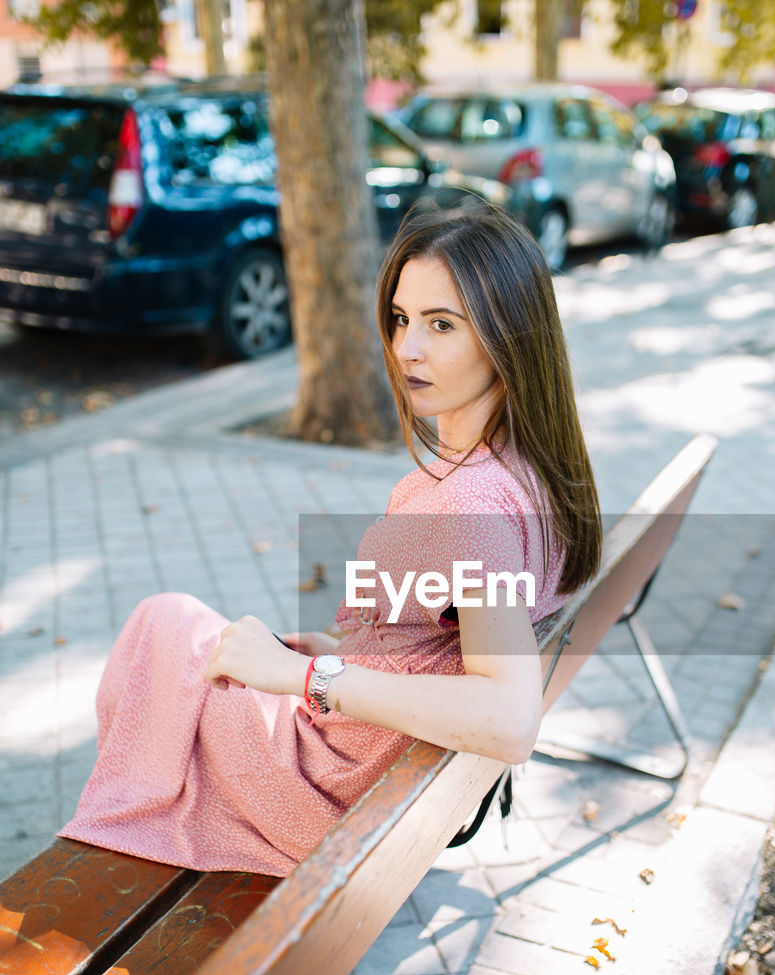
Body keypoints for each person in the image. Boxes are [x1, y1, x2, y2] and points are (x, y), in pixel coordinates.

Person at [60, 203, 602, 877]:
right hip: (373, 771)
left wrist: (307, 675)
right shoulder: (531, 469)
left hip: (322, 790)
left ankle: (114, 863)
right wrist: (348, 651)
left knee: (162, 626)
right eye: (402, 319)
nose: (407, 348)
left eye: (441, 325)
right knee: (188, 638)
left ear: (508, 336)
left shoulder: (469, 505)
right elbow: (441, 641)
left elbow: (509, 715)